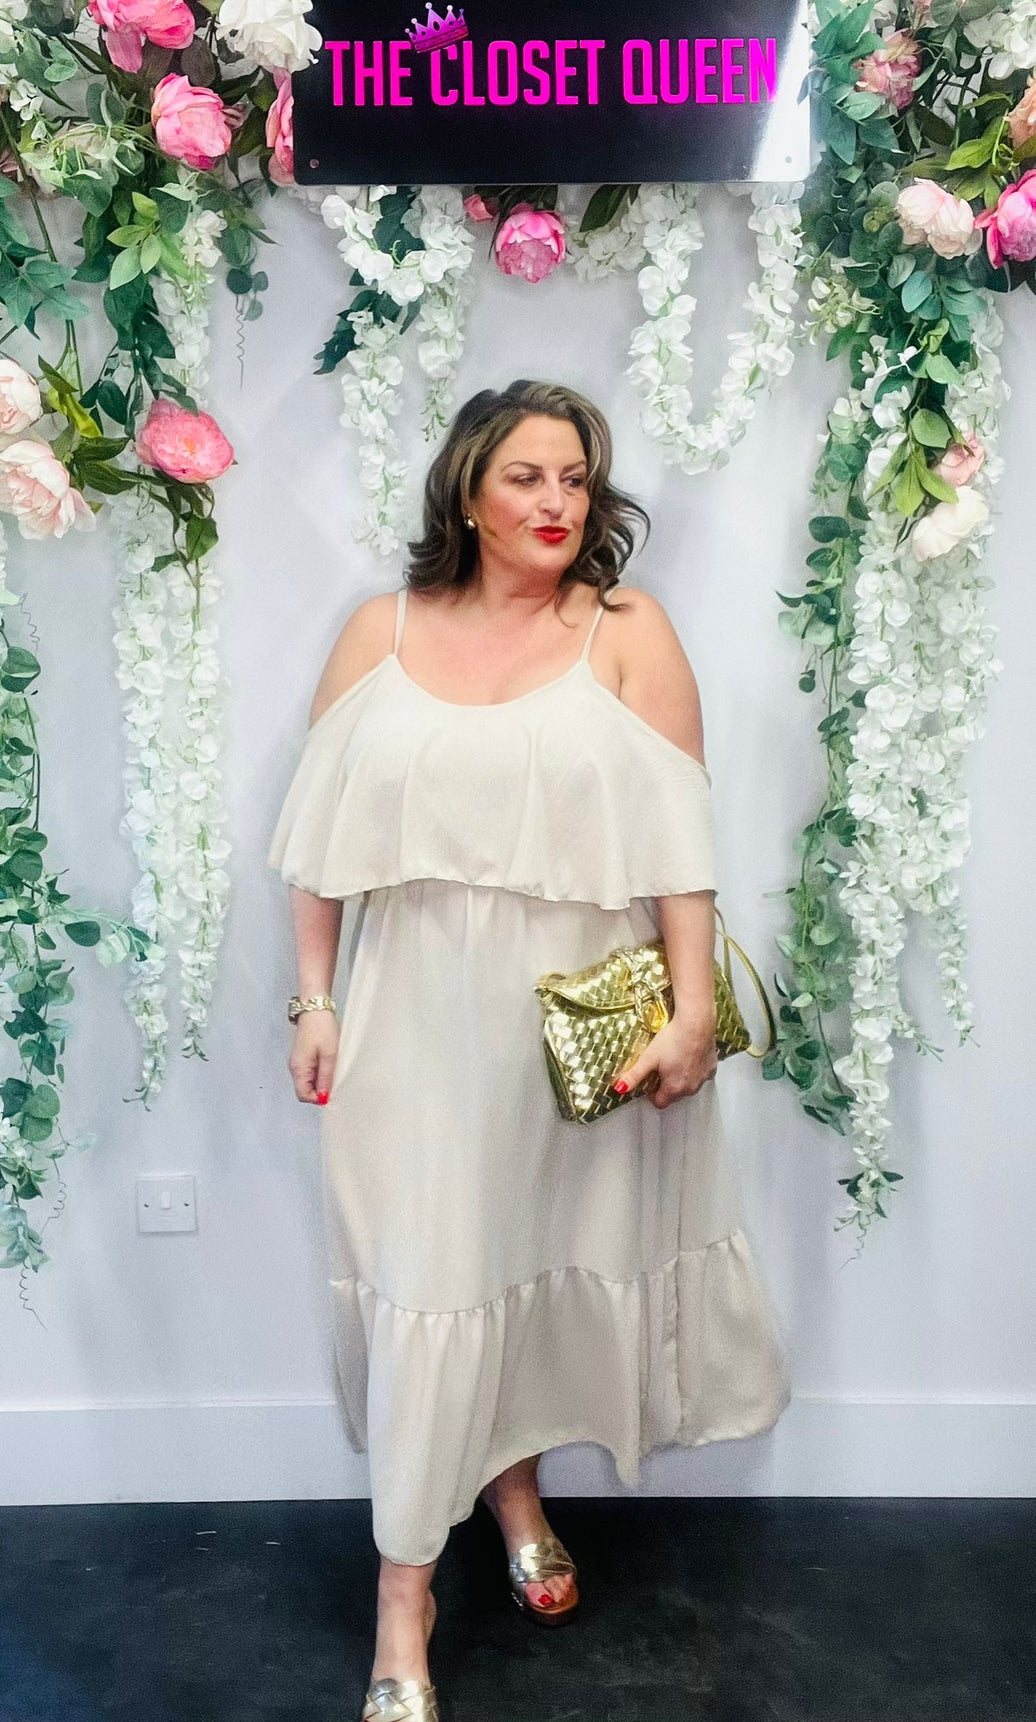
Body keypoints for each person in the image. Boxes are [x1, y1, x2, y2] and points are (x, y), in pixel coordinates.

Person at [268, 379, 792, 1722]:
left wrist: (691, 1012)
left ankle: (514, 1494)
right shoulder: (380, 632)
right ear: (467, 491)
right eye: (527, 476)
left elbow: (681, 846)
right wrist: (312, 999)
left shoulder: (628, 631)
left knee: (521, 1266)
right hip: (412, 1021)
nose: (559, 502)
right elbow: (319, 841)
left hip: (570, 1024)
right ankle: (405, 1599)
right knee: (434, 1282)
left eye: (576, 477)